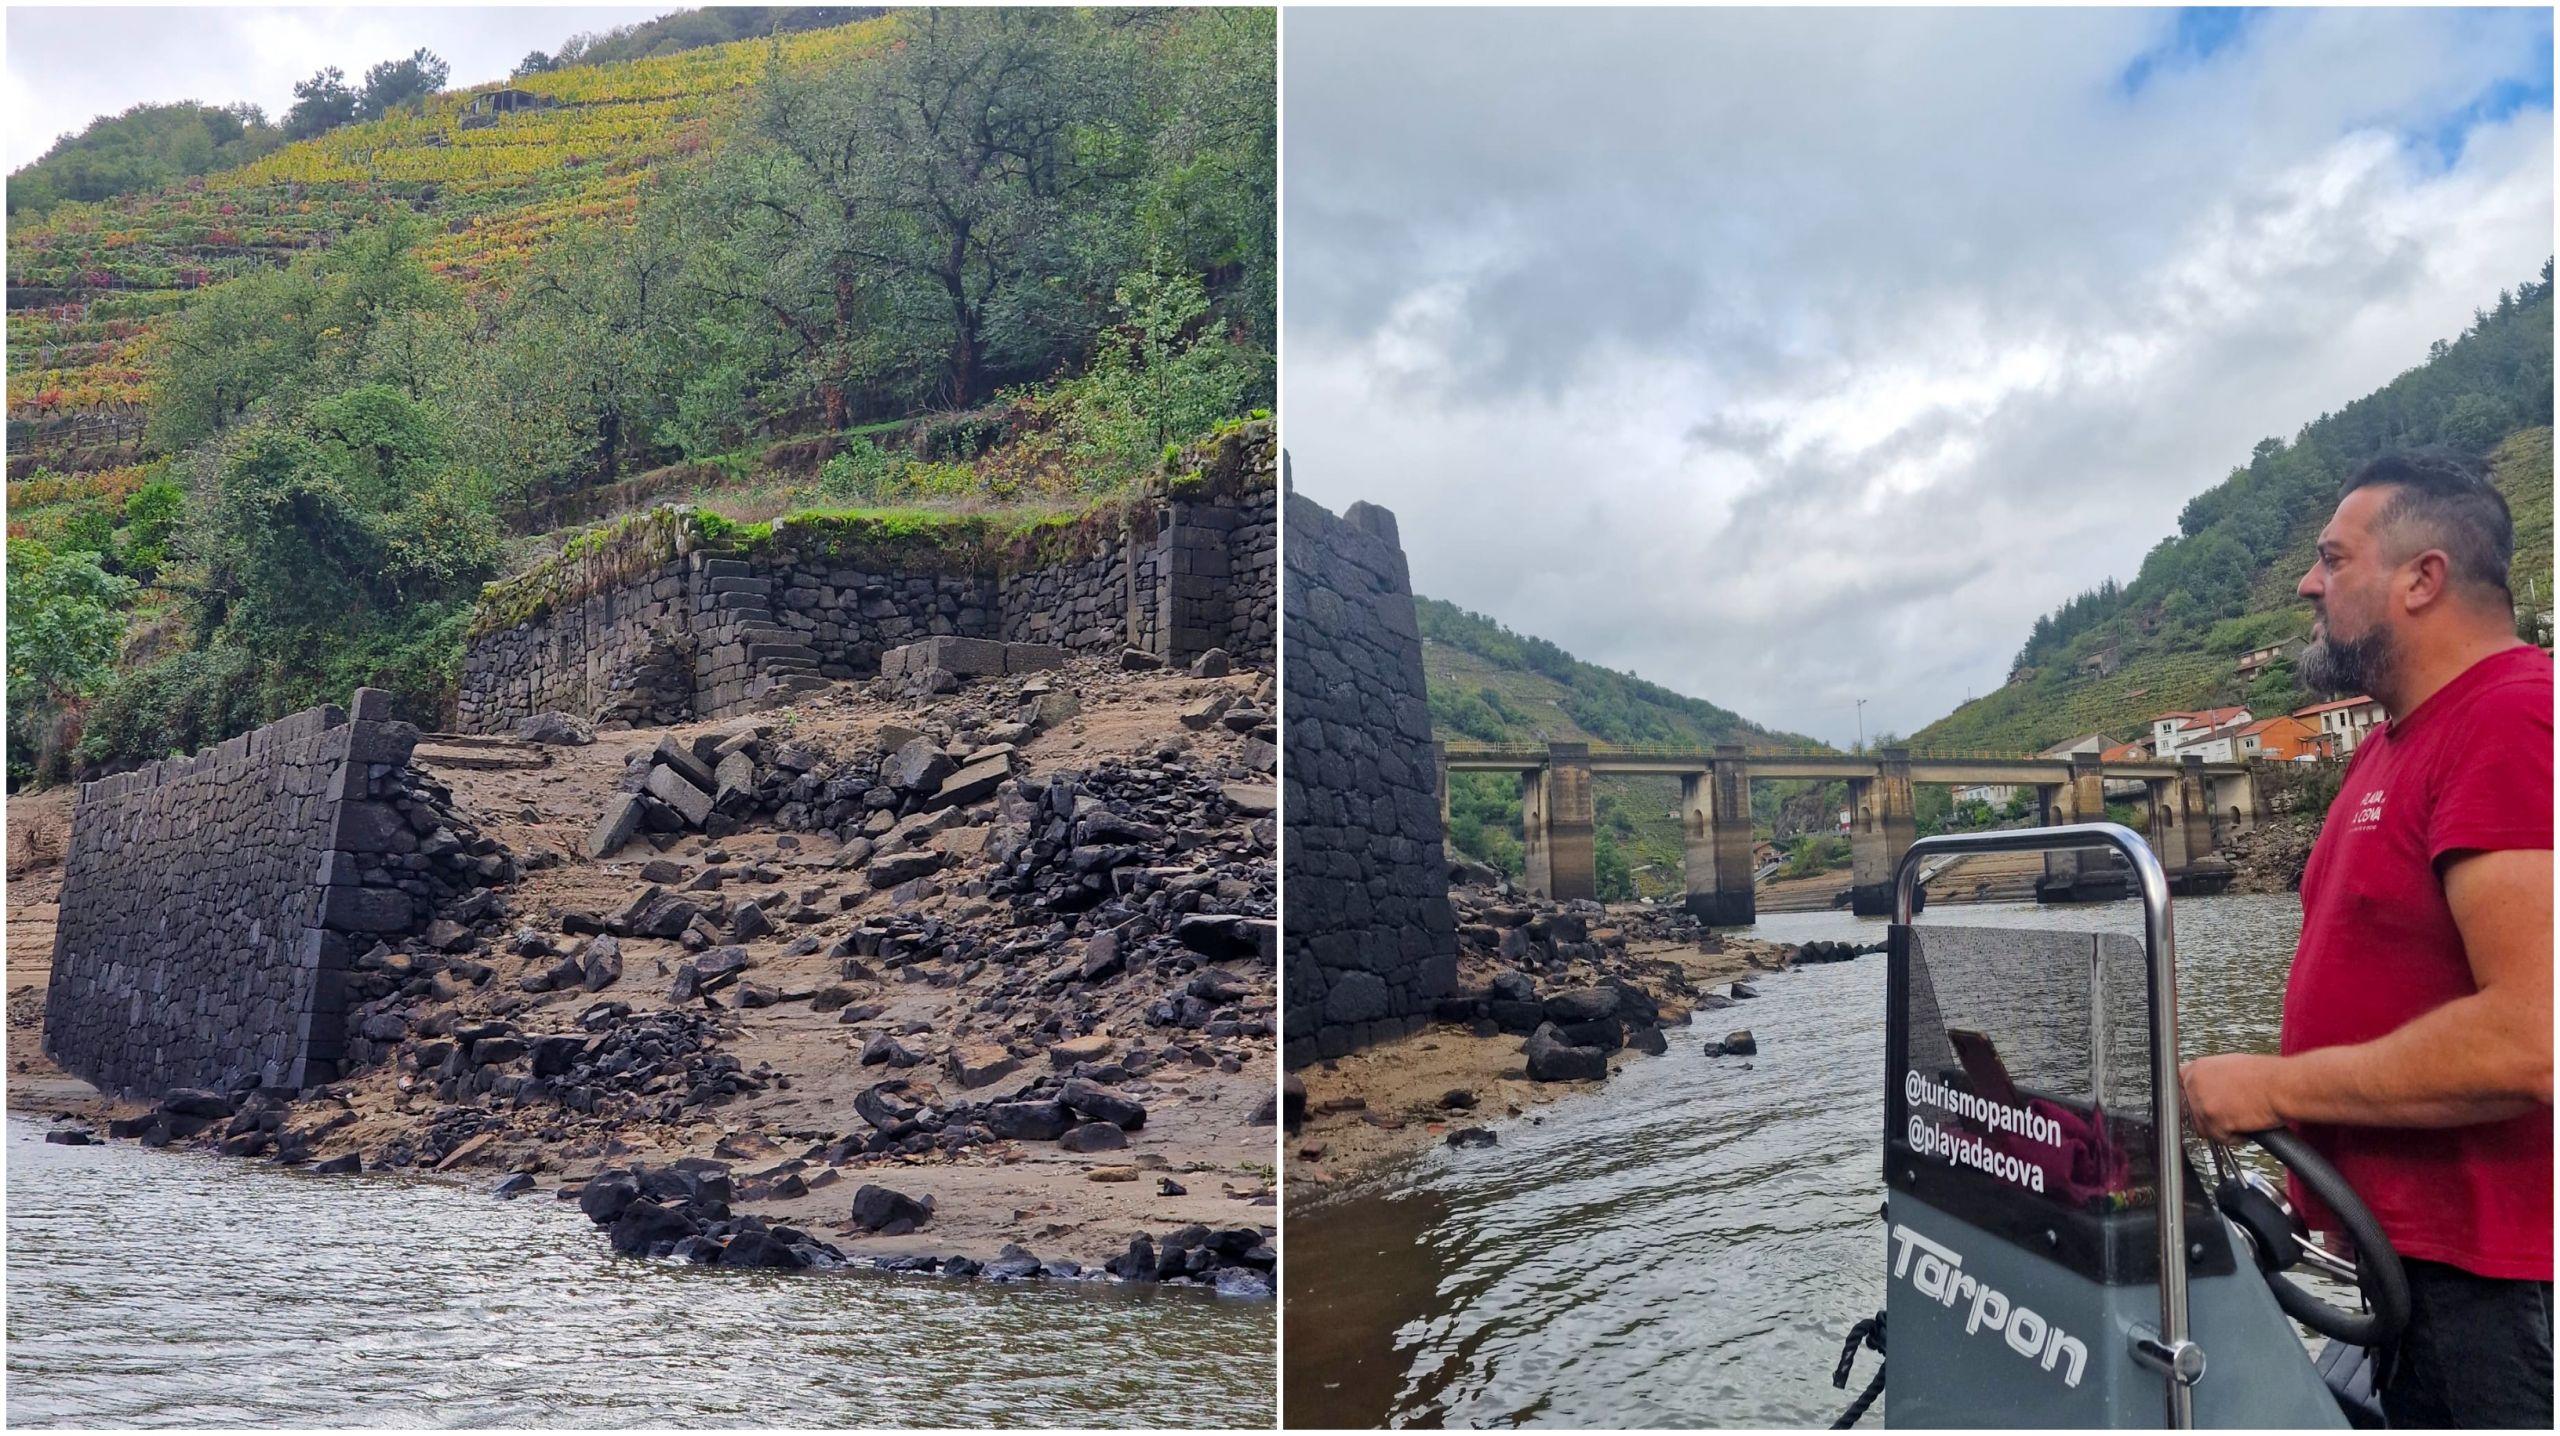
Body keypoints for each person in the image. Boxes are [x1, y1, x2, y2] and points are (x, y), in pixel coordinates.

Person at [2182, 448, 2551, 1428]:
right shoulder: (2393, 743)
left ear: (2421, 579)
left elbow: (2532, 1038)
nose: (2308, 582)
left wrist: (2274, 1089)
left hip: (2496, 1285)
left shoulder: (2512, 718)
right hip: (2401, 1263)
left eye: (2331, 559)